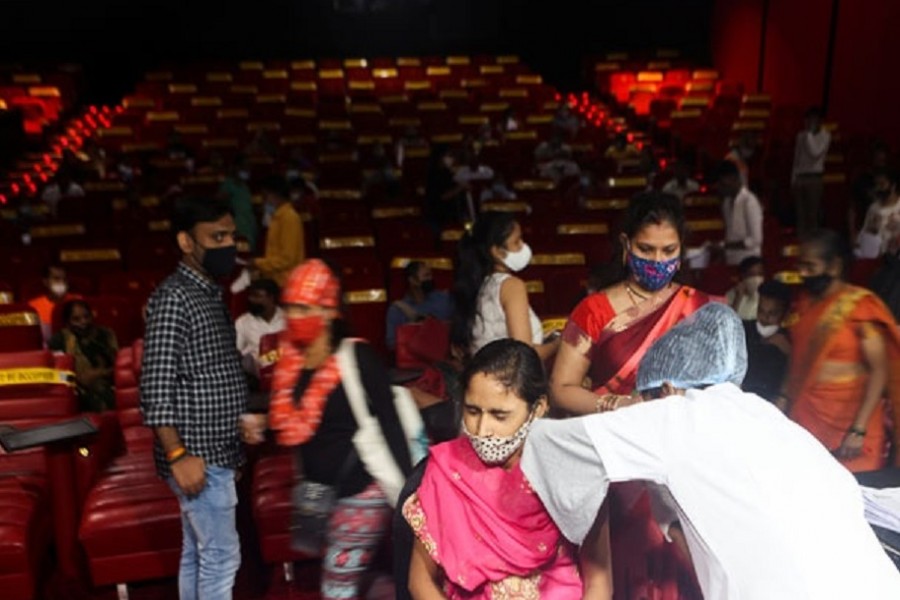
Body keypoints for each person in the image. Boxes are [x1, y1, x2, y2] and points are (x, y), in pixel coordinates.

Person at [521, 303, 900, 600]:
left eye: (646, 398)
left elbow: (551, 444)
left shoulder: (675, 414)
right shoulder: (763, 414)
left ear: (667, 388)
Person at [242, 259, 413, 600]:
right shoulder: (291, 361)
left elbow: (393, 426)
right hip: (320, 495)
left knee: (337, 587)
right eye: (290, 307)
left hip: (362, 491)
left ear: (327, 311)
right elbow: (295, 424)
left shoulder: (358, 356)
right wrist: (262, 424)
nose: (294, 316)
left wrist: (412, 495)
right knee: (354, 579)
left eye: (304, 307)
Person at [403, 339, 582, 599]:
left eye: (500, 416)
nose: (482, 429)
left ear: (538, 409)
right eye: (473, 411)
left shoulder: (568, 469)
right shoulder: (446, 470)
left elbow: (599, 581)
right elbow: (420, 582)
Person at [140, 196, 248, 599]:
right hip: (194, 454)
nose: (227, 245)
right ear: (187, 242)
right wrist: (177, 455)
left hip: (213, 451)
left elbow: (208, 374)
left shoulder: (207, 292)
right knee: (222, 556)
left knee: (198, 553)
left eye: (231, 236)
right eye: (216, 236)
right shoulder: (175, 297)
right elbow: (155, 384)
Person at [550, 192, 710, 413]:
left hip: (681, 431)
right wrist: (619, 405)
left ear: (681, 249)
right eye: (645, 249)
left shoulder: (698, 307)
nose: (657, 260)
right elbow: (561, 389)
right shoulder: (593, 311)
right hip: (612, 434)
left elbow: (718, 385)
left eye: (669, 250)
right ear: (626, 245)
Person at [779, 229, 900, 471]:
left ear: (834, 266)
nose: (802, 273)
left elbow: (879, 371)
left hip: (852, 429)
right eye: (800, 265)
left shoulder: (860, 306)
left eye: (810, 266)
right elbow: (797, 361)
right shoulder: (804, 305)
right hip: (808, 421)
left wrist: (859, 428)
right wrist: (782, 398)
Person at [451, 212, 559, 361]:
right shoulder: (511, 286)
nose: (523, 246)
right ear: (497, 252)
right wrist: (559, 343)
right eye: (517, 241)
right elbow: (524, 355)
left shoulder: (478, 285)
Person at [49, 299, 118, 412]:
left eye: (87, 317)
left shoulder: (106, 334)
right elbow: (57, 375)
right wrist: (77, 379)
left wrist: (102, 373)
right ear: (67, 322)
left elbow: (119, 365)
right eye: (76, 319)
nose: (83, 322)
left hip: (109, 383)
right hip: (75, 389)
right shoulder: (59, 340)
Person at [742, 280, 792, 402]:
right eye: (761, 311)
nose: (765, 318)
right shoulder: (743, 330)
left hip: (770, 403)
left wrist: (790, 353)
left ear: (785, 315)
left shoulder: (789, 341)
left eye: (772, 313)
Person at [385, 261, 453, 352]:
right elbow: (392, 343)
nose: (431, 279)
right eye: (426, 276)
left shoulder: (444, 299)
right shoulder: (397, 310)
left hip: (445, 358)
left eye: (431, 275)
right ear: (413, 280)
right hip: (414, 361)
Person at [252, 175, 304, 287]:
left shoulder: (289, 217)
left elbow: (287, 259)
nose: (263, 200)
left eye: (265, 196)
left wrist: (258, 263)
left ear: (273, 194)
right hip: (275, 279)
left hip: (286, 282)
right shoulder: (277, 217)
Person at [791, 107, 831, 235]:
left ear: (819, 121)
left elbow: (814, 152)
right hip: (800, 177)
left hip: (814, 178)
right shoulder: (800, 135)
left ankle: (812, 245)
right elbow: (797, 158)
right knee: (800, 216)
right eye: (808, 119)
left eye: (813, 119)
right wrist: (793, 178)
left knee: (812, 215)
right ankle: (801, 244)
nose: (809, 122)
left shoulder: (825, 135)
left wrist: (809, 134)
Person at [716, 159, 763, 266]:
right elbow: (730, 234)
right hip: (731, 260)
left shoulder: (749, 201)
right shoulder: (726, 203)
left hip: (750, 262)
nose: (721, 187)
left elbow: (755, 240)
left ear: (734, 178)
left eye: (723, 183)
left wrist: (724, 246)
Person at [235, 278, 285, 375]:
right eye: (251, 296)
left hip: (285, 374)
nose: (251, 300)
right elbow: (237, 351)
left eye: (257, 296)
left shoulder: (288, 319)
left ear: (271, 298)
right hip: (256, 378)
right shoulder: (243, 322)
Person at [28, 263, 81, 341]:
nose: (61, 282)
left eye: (64, 279)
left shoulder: (79, 301)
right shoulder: (33, 306)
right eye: (56, 279)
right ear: (46, 282)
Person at [424, 145, 467, 239]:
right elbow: (442, 196)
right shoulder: (433, 175)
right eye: (448, 155)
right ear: (440, 157)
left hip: (450, 216)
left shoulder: (447, 172)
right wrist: (460, 188)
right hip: (437, 217)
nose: (451, 158)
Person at [856, 167, 900, 258]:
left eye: (882, 184)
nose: (878, 188)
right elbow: (865, 234)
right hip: (876, 258)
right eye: (876, 185)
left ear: (893, 186)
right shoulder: (873, 208)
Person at [218, 154, 258, 252]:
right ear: (237, 167)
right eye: (245, 166)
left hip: (249, 225)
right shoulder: (228, 185)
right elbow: (220, 205)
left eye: (249, 167)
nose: (247, 169)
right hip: (238, 227)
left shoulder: (245, 186)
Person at [724, 256, 764, 320]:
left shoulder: (767, 295)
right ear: (743, 276)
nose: (756, 278)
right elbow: (728, 320)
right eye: (751, 274)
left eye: (760, 274)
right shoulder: (730, 295)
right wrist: (738, 297)